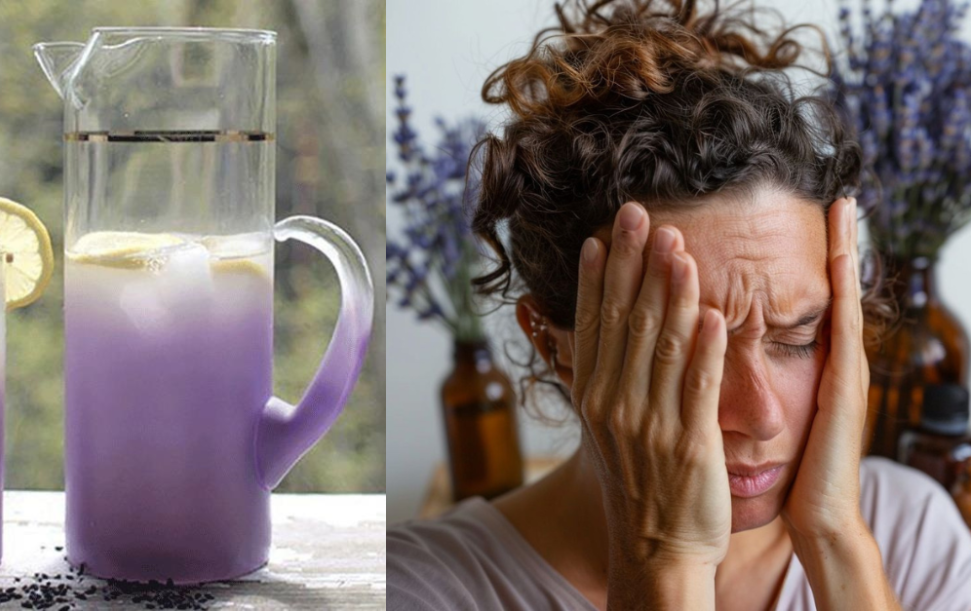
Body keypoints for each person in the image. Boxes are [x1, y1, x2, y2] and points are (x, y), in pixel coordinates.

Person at [386, 0, 971, 609]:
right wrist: (663, 557)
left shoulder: (914, 535)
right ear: (550, 340)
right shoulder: (419, 587)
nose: (763, 415)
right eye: (688, 349)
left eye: (798, 339)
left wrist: (835, 544)